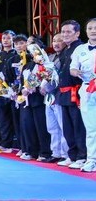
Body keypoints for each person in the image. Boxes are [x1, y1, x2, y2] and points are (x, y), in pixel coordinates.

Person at [57, 20, 87, 169]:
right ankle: (72, 155)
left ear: (77, 33)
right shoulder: (65, 50)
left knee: (78, 126)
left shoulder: (81, 48)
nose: (65, 35)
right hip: (63, 94)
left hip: (76, 93)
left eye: (69, 32)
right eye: (63, 32)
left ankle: (82, 156)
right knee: (67, 128)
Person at [70, 18, 96, 172]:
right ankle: (92, 159)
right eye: (90, 28)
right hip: (87, 90)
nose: (93, 30)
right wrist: (76, 72)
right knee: (91, 128)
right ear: (86, 32)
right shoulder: (80, 50)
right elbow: (72, 69)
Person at [45, 33, 69, 162]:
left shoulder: (66, 56)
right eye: (54, 40)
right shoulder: (50, 57)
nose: (56, 43)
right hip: (49, 96)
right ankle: (56, 152)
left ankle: (66, 154)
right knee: (52, 126)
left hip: (60, 94)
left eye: (60, 40)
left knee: (62, 125)